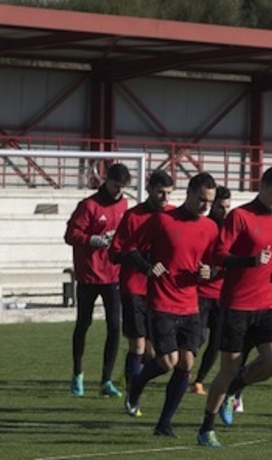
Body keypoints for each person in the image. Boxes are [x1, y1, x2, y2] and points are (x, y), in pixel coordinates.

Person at [196, 166, 272, 448]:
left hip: (266, 303)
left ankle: (235, 389)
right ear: (261, 187)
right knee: (227, 370)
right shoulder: (239, 216)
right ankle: (206, 428)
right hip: (236, 305)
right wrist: (250, 261)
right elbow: (218, 255)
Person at [123, 173, 219, 437]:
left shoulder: (210, 227)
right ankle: (136, 383)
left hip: (191, 304)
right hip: (162, 301)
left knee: (186, 364)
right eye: (201, 199)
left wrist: (210, 272)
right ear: (188, 193)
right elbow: (129, 247)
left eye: (209, 202)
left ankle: (164, 424)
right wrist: (147, 267)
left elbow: (216, 262)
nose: (204, 206)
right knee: (167, 361)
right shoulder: (162, 221)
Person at [65, 163, 131, 398]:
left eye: (122, 187)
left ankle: (106, 380)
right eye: (115, 185)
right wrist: (93, 240)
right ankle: (77, 373)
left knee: (115, 326)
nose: (118, 191)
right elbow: (70, 235)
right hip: (89, 275)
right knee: (83, 324)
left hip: (113, 274)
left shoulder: (124, 205)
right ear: (106, 180)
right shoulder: (89, 205)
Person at [109, 170, 175, 400]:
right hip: (135, 287)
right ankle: (132, 397)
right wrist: (143, 262)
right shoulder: (133, 216)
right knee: (137, 345)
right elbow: (115, 253)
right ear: (148, 189)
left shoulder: (174, 215)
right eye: (160, 192)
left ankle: (131, 377)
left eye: (168, 193)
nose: (164, 198)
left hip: (162, 291)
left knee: (154, 352)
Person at [191, 186, 232, 396]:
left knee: (216, 342)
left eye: (227, 207)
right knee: (197, 339)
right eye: (220, 207)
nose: (224, 212)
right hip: (200, 292)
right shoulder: (204, 227)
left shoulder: (232, 230)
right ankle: (182, 371)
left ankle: (198, 381)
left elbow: (232, 261)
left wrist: (216, 270)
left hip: (221, 294)